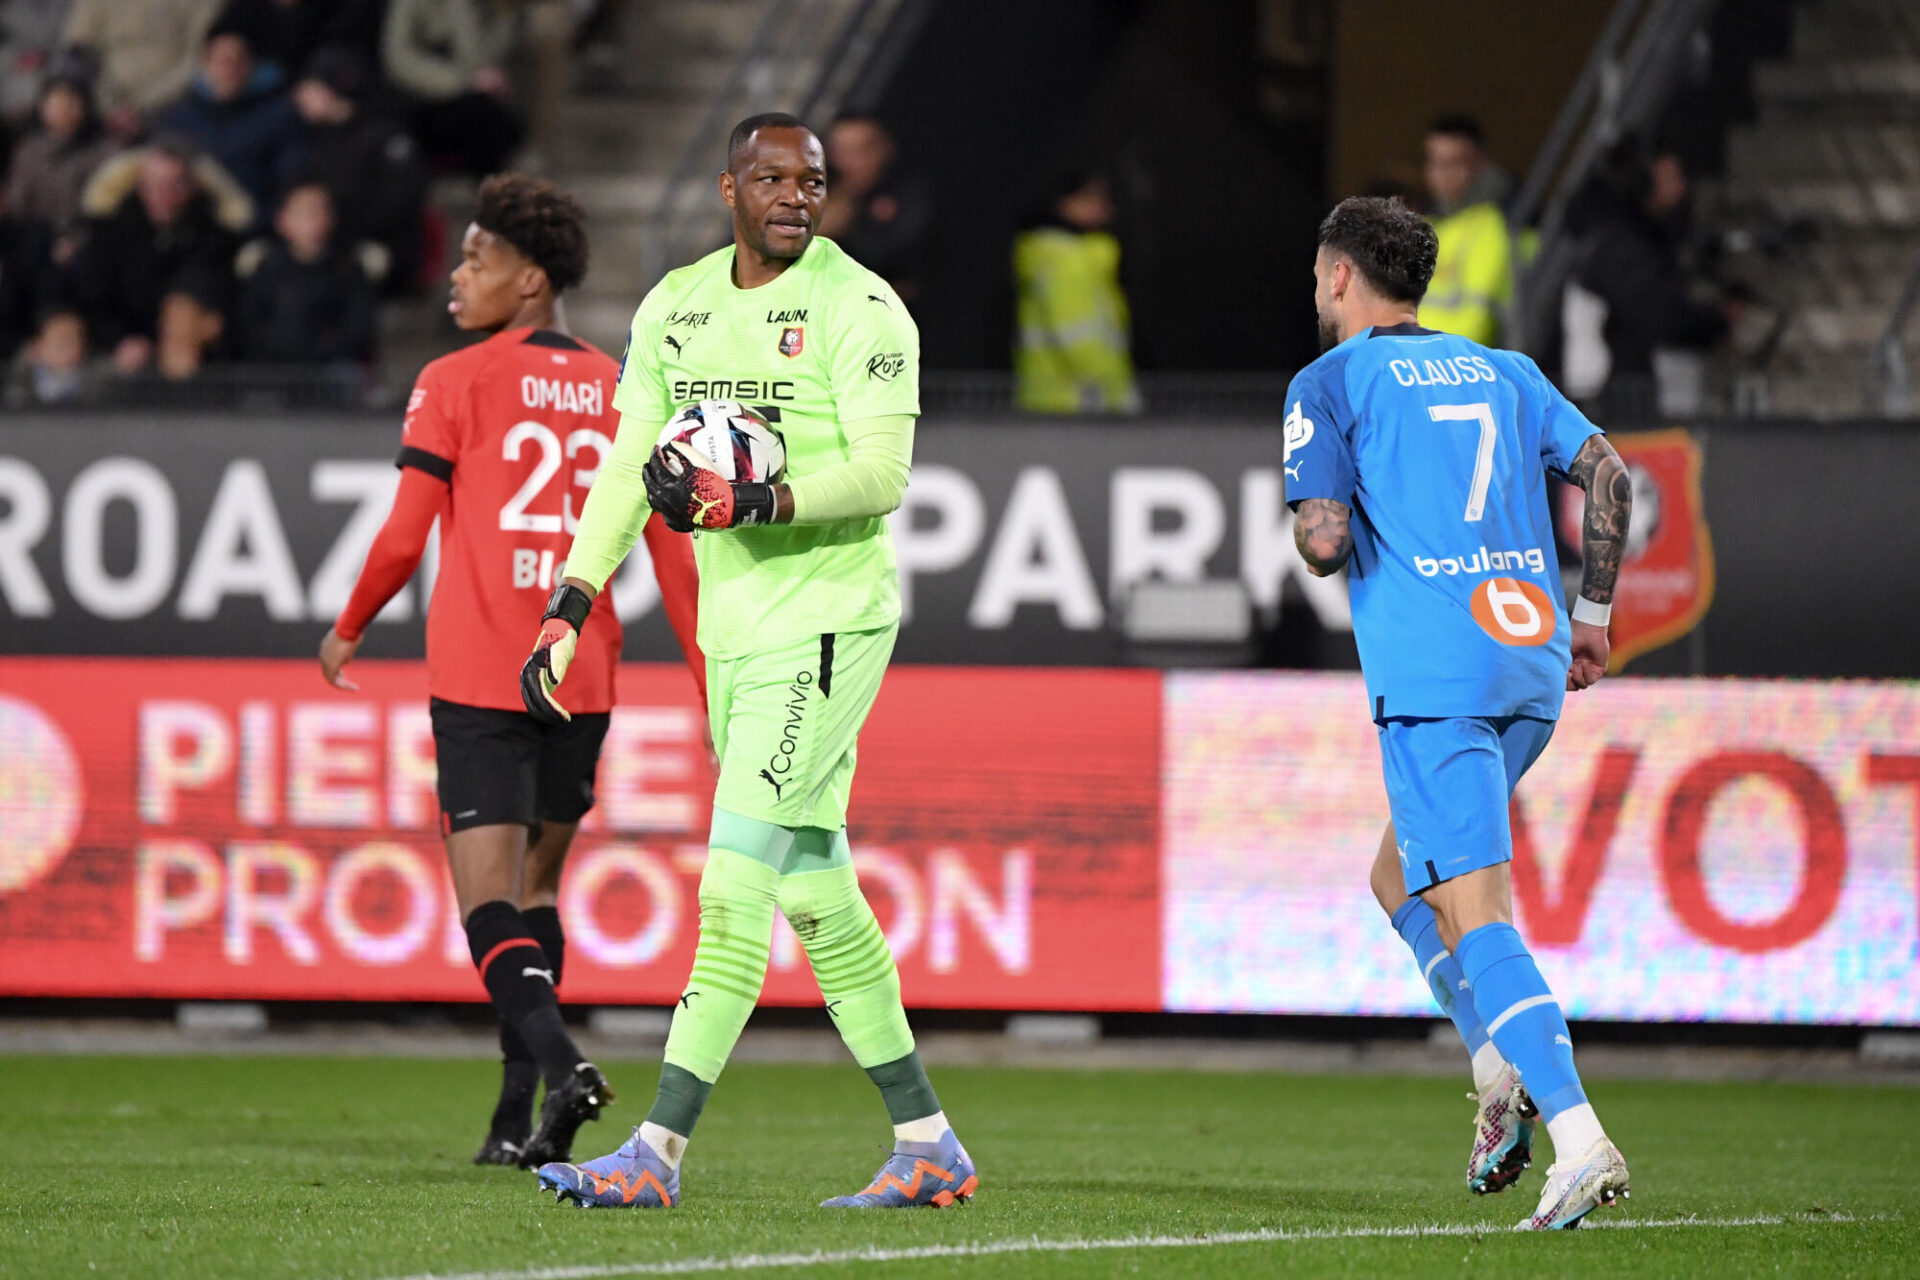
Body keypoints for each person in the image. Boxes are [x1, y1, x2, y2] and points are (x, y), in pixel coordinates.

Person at [526, 113, 977, 1211]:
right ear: (730, 186)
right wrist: (571, 600)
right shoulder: (676, 306)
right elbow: (631, 466)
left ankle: (655, 1152)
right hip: (738, 634)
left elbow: (881, 472)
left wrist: (757, 497)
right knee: (818, 891)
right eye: (772, 177)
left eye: (811, 181)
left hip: (825, 623)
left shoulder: (862, 307)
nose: (794, 195)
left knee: (732, 886)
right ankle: (929, 1142)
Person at [317, 173, 705, 1169]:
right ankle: (513, 1120)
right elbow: (677, 560)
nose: (457, 274)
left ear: (530, 280)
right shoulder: (629, 386)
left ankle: (565, 1065)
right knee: (538, 889)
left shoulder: (455, 380)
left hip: (487, 669)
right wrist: (714, 687)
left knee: (485, 903)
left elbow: (405, 535)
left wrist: (349, 624)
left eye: (479, 257)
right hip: (586, 675)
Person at [1284, 196, 1633, 1229]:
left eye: (1317, 273)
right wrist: (1596, 615)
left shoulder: (1329, 381)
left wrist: (1319, 522)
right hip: (1529, 666)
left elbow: (1324, 537)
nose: (1315, 289)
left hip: (1435, 675)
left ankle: (1578, 1136)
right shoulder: (1508, 371)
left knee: (1478, 915)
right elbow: (1608, 474)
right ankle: (1496, 1067)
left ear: (1341, 274)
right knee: (1397, 875)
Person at [63, 139, 248, 381]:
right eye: (154, 185)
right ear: (139, 186)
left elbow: (215, 296)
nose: (163, 194)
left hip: (190, 353)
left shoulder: (214, 237)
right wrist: (120, 341)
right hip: (117, 347)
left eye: (174, 185)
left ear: (192, 187)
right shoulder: (111, 234)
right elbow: (92, 298)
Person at [292, 44, 429, 294]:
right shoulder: (314, 138)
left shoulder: (384, 133)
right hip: (331, 241)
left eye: (309, 87)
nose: (300, 96)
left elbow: (402, 199)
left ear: (331, 89)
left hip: (383, 245)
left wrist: (345, 228)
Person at [1013, 170, 1141, 415]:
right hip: (1074, 406)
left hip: (1062, 404)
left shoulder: (1065, 255)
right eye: (1092, 197)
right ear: (1065, 201)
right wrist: (1119, 394)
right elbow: (1076, 337)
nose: (1105, 207)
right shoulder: (1064, 259)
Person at [155, 26, 306, 230]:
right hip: (191, 229)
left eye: (239, 61)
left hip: (254, 225)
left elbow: (290, 179)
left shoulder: (279, 117)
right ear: (206, 64)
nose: (230, 70)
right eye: (222, 61)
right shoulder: (177, 118)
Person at [235, 180, 376, 370]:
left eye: (319, 211)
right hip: (274, 367)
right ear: (282, 220)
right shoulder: (266, 268)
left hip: (330, 367)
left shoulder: (348, 269)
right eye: (304, 212)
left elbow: (357, 329)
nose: (313, 219)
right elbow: (250, 323)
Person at [381, 0, 523, 179]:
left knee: (493, 120)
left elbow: (481, 56)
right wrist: (464, 82)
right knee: (485, 121)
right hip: (423, 97)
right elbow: (398, 60)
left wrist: (505, 16)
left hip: (472, 99)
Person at [60, 0, 225, 137]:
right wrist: (109, 105)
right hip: (100, 107)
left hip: (173, 109)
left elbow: (199, 58)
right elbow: (81, 51)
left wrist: (142, 106)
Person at [1421, 115, 1514, 347]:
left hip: (1456, 370)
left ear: (1480, 165)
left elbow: (1477, 319)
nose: (1442, 175)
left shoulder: (1491, 226)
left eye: (1453, 164)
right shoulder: (1429, 224)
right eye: (1434, 163)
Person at [817, 114, 931, 299]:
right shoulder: (818, 190)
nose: (848, 161)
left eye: (861, 150)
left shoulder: (909, 198)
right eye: (839, 151)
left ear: (885, 147)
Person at [6, 69, 120, 245]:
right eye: (55, 102)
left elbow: (104, 208)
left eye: (70, 101)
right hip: (37, 242)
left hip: (89, 241)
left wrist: (76, 239)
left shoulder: (104, 151)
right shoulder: (28, 151)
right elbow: (18, 208)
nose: (62, 109)